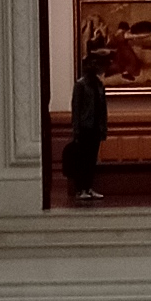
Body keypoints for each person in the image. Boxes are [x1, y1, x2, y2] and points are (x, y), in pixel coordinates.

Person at [60, 36, 108, 202]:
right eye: (92, 64)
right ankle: (80, 189)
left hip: (95, 127)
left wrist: (103, 128)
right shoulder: (80, 85)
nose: (95, 67)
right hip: (85, 127)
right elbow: (76, 108)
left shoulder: (99, 85)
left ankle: (88, 187)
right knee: (82, 160)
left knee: (92, 160)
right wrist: (76, 130)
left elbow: (103, 108)